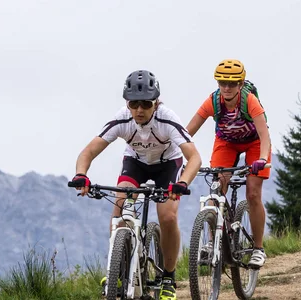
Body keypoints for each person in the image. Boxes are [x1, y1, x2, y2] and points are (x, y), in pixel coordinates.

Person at [70, 69, 202, 300]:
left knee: (168, 217)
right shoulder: (123, 118)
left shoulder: (167, 119)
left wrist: (182, 182)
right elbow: (88, 151)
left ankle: (168, 278)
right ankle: (117, 271)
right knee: (119, 206)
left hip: (168, 165)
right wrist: (81, 175)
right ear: (127, 103)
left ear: (156, 102)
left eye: (145, 104)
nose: (139, 110)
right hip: (136, 164)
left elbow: (195, 158)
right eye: (133, 104)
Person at [183, 59, 272, 268]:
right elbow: (186, 133)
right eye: (222, 83)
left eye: (232, 83)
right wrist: (175, 153)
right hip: (227, 142)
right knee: (216, 188)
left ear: (240, 84)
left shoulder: (249, 101)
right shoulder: (213, 101)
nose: (226, 87)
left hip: (254, 143)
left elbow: (264, 135)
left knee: (252, 193)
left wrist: (262, 158)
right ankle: (213, 242)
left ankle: (258, 249)